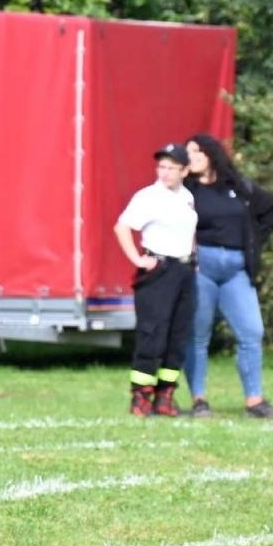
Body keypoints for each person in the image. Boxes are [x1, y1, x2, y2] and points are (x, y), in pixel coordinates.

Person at [183, 133, 273, 419]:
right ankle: (199, 400)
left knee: (252, 332)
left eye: (196, 152)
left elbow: (271, 211)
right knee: (198, 334)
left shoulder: (238, 187)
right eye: (188, 152)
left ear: (211, 155)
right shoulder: (185, 191)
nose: (190, 157)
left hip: (236, 269)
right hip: (201, 267)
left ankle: (255, 401)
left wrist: (254, 240)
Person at [113, 142, 198, 418]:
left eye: (172, 168)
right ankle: (141, 398)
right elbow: (122, 226)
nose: (165, 173)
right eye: (162, 166)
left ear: (185, 171)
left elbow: (187, 231)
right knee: (153, 334)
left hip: (183, 270)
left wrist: (192, 258)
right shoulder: (148, 197)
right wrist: (138, 260)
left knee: (177, 335)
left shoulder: (187, 196)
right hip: (158, 269)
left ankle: (165, 396)